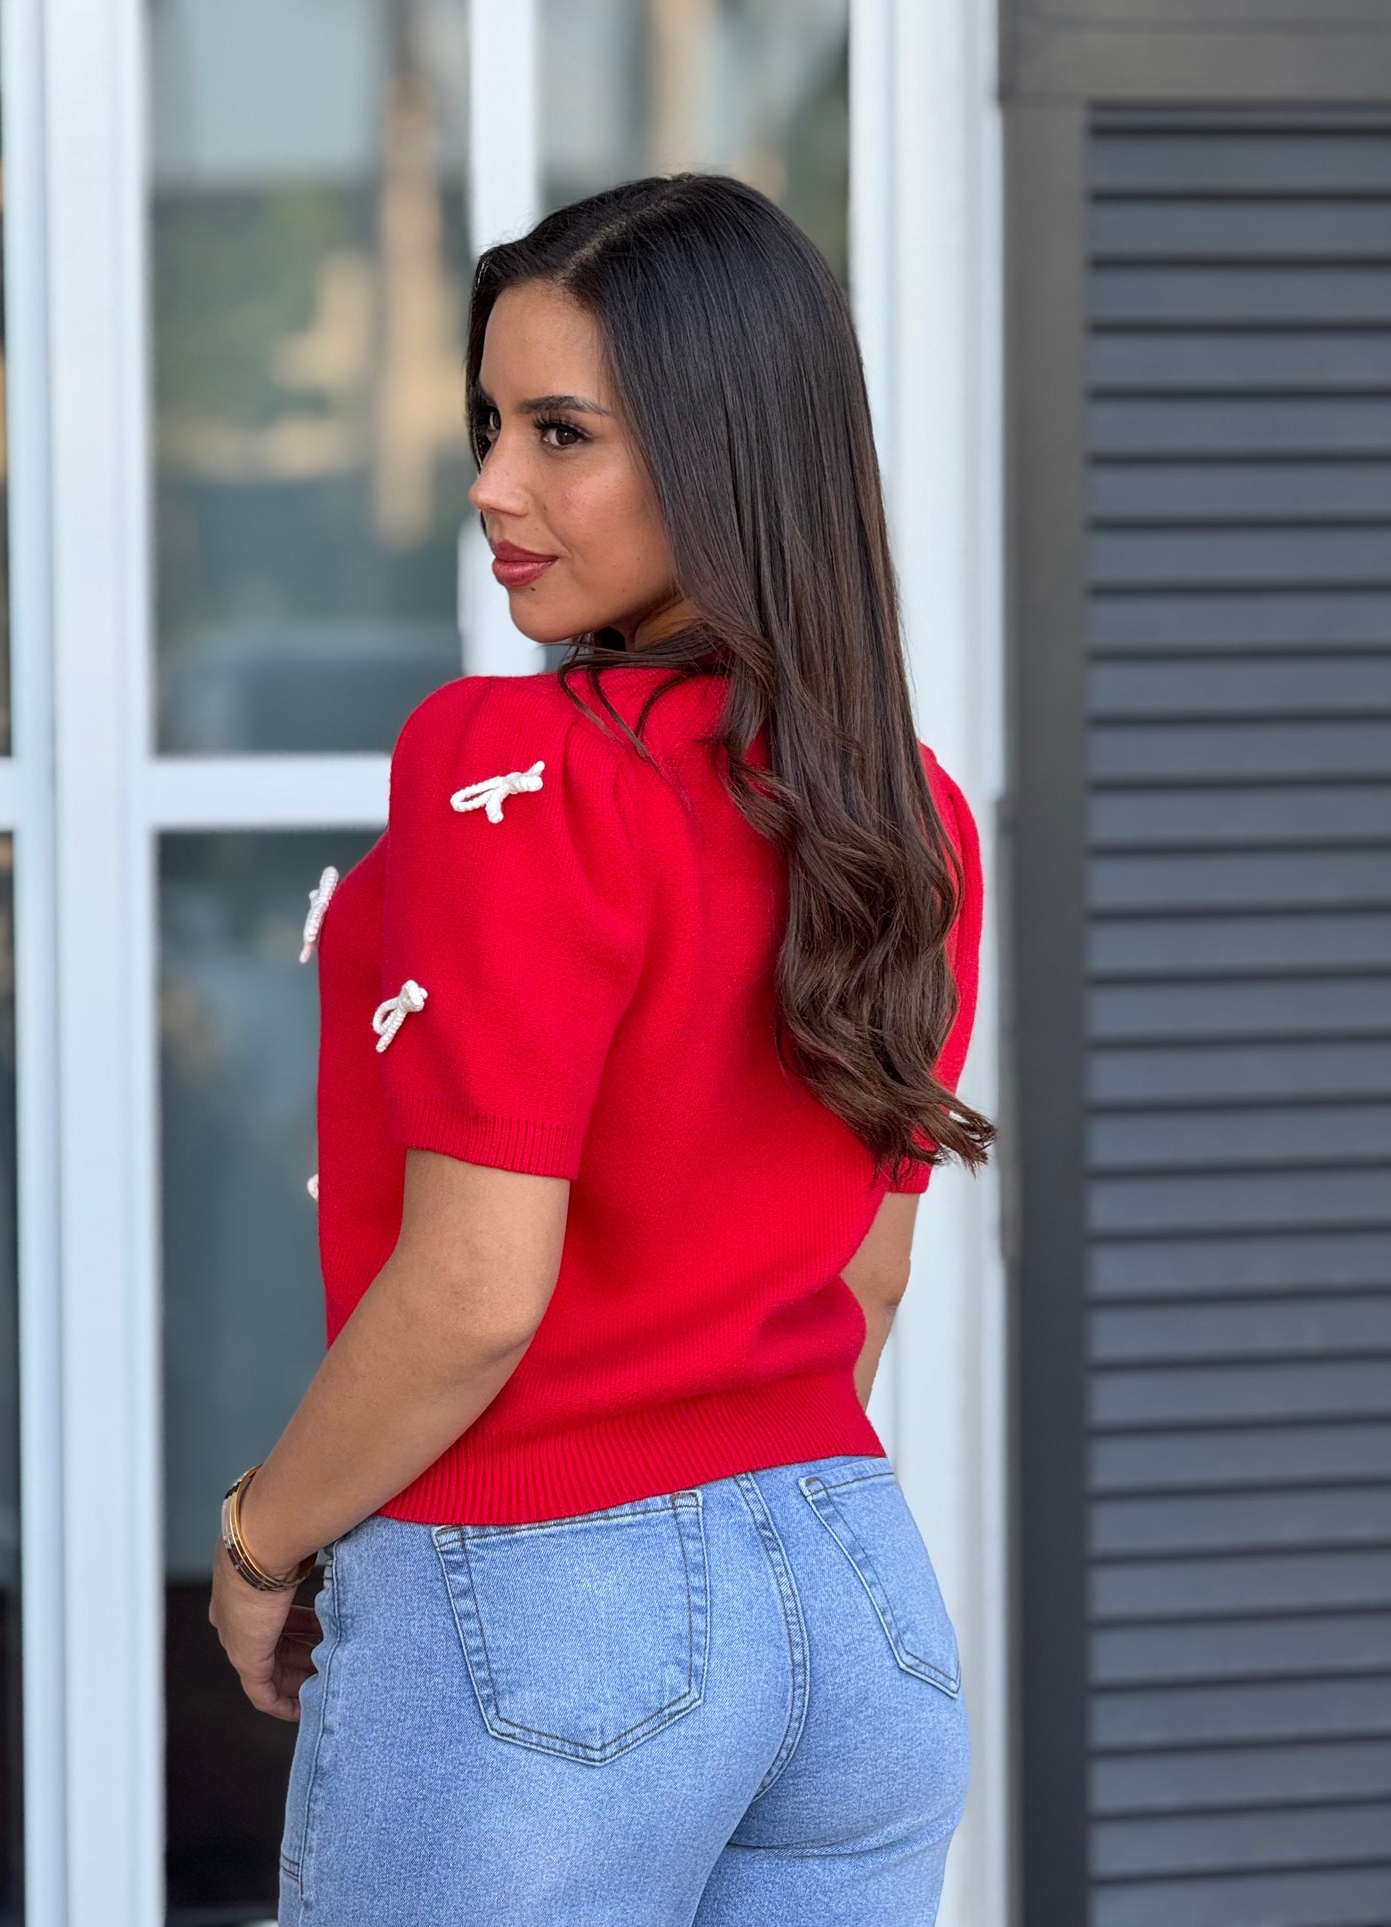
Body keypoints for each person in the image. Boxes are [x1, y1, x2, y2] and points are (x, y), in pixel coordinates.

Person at [207, 171, 996, 1927]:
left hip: (544, 1622)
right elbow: (863, 1281)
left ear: (723, 454)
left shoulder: (511, 766)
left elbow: (479, 1286)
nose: (492, 485)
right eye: (489, 421)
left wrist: (263, 1541)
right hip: (854, 1604)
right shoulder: (905, 810)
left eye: (562, 431)